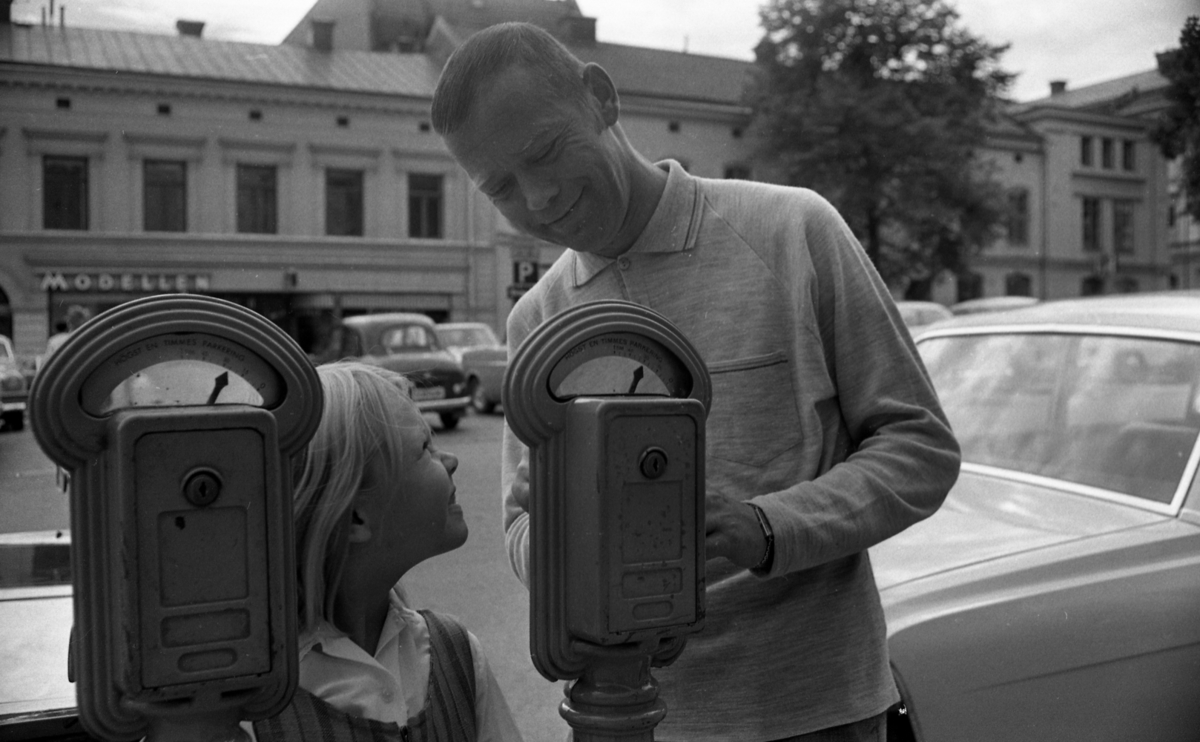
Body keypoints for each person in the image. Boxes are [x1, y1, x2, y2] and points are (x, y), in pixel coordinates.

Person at [431, 22, 961, 742]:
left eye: (547, 152)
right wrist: (551, 531)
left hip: (815, 712)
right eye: (501, 188)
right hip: (623, 720)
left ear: (601, 97)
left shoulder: (794, 232)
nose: (541, 198)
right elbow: (520, 530)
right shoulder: (538, 318)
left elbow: (920, 449)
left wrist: (768, 527)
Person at [251, 361, 524, 742]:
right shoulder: (253, 707)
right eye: (424, 448)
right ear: (356, 517)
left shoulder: (457, 654)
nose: (451, 461)